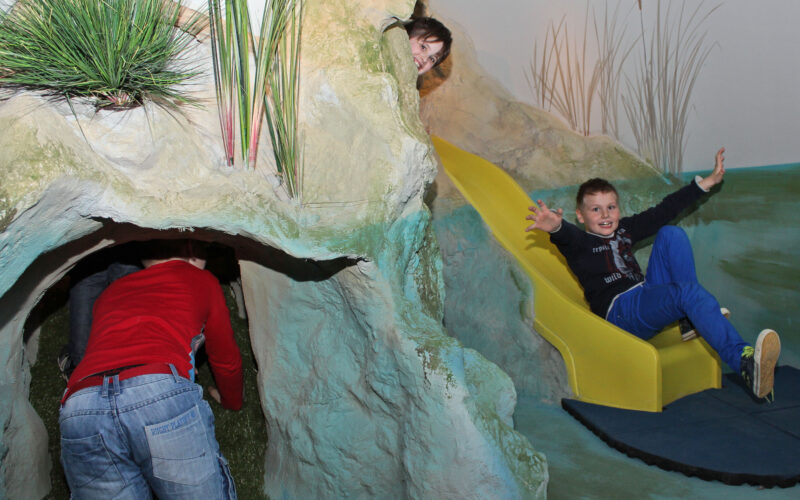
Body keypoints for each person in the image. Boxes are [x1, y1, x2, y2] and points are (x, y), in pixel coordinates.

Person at [525, 148, 781, 400]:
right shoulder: (581, 244)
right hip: (620, 312)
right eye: (595, 210)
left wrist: (706, 183)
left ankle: (689, 319)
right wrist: (556, 227)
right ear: (580, 216)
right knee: (687, 293)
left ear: (618, 209)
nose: (605, 215)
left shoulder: (625, 230)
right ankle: (745, 363)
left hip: (644, 294)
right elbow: (567, 237)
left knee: (671, 233)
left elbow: (664, 210)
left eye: (611, 207)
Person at [59, 239, 242, 499]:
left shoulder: (110, 292)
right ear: (193, 252)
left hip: (80, 404)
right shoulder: (201, 279)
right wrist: (231, 400)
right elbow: (226, 358)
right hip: (156, 390)